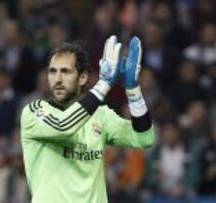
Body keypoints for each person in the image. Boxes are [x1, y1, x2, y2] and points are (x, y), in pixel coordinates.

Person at [20, 35, 155, 203]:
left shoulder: (102, 116)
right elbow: (63, 126)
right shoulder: (34, 112)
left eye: (66, 71)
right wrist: (104, 84)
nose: (58, 79)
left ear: (82, 78)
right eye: (52, 71)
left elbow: (144, 138)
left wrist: (133, 90)